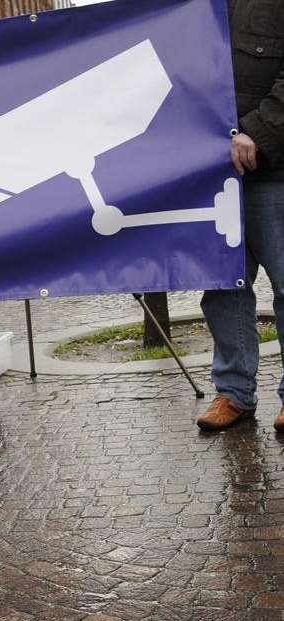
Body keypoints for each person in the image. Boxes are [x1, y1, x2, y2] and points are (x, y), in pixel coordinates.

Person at [197, 0, 284, 434]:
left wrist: (256, 131)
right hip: (207, 176)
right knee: (223, 287)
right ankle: (233, 392)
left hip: (275, 169)